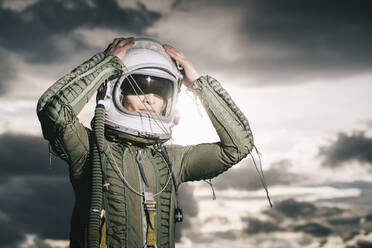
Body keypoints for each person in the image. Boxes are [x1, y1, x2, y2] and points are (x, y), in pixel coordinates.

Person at [37, 37, 255, 248]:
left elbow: (238, 146)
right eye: (138, 87)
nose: (149, 98)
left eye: (160, 91)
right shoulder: (88, 150)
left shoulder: (173, 161)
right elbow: (55, 113)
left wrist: (199, 84)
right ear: (115, 91)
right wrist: (104, 65)